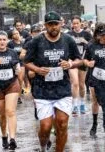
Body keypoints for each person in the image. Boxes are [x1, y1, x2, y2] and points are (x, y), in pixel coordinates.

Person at [24, 11, 82, 152]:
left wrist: (70, 65)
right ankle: (43, 146)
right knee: (45, 127)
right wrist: (37, 70)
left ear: (61, 24)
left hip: (62, 88)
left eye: (56, 24)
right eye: (50, 25)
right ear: (45, 26)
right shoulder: (37, 41)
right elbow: (26, 62)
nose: (53, 27)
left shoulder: (68, 40)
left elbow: (79, 60)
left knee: (62, 124)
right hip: (42, 89)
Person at [67, 15, 92, 115]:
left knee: (82, 85)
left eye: (77, 23)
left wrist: (84, 41)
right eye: (74, 23)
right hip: (72, 61)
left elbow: (91, 45)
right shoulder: (69, 34)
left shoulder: (86, 33)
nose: (75, 25)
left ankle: (82, 103)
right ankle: (74, 105)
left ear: (81, 23)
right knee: (75, 83)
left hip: (82, 60)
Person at [7, 29, 26, 104]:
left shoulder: (23, 43)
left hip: (21, 63)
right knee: (13, 80)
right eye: (14, 34)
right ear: (12, 36)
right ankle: (12, 95)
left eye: (17, 33)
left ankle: (18, 96)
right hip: (12, 63)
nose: (16, 35)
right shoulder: (10, 44)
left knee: (20, 80)